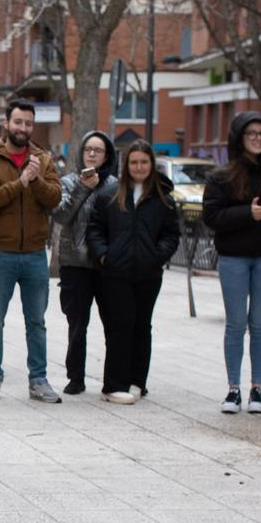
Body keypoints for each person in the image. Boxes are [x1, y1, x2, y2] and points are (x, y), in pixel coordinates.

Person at [0, 96, 65, 402]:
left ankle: (38, 379)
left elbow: (54, 199)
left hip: (35, 253)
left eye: (28, 123)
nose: (23, 128)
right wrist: (20, 183)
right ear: (7, 123)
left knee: (36, 321)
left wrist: (35, 181)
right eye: (18, 121)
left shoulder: (43, 160)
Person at [203, 111, 261, 413]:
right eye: (251, 133)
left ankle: (257, 388)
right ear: (240, 137)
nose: (257, 138)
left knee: (260, 324)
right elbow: (212, 216)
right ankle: (233, 389)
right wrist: (247, 214)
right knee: (236, 324)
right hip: (234, 257)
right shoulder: (222, 176)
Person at [85, 140, 180, 403]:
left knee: (142, 326)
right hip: (116, 272)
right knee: (120, 325)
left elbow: (171, 235)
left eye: (144, 162)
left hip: (148, 273)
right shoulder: (110, 194)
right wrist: (105, 255)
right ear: (127, 165)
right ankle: (114, 384)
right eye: (134, 162)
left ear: (152, 164)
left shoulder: (162, 198)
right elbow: (95, 230)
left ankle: (138, 381)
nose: (139, 167)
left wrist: (157, 256)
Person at [53, 129, 114, 395]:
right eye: (88, 149)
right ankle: (75, 377)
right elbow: (61, 216)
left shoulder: (114, 185)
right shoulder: (68, 182)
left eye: (98, 150)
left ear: (107, 155)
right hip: (74, 264)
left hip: (106, 264)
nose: (92, 154)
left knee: (113, 323)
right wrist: (81, 187)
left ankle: (114, 378)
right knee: (77, 324)